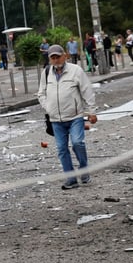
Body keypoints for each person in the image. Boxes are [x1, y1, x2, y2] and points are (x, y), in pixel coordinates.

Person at [37, 45, 98, 189]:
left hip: (74, 116)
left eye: (58, 56)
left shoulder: (75, 70)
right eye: (53, 57)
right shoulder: (46, 73)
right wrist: (48, 107)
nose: (56, 60)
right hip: (56, 120)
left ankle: (84, 171)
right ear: (49, 59)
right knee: (62, 149)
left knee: (78, 143)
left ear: (64, 56)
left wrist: (92, 111)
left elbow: (87, 91)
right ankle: (71, 179)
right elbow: (41, 93)